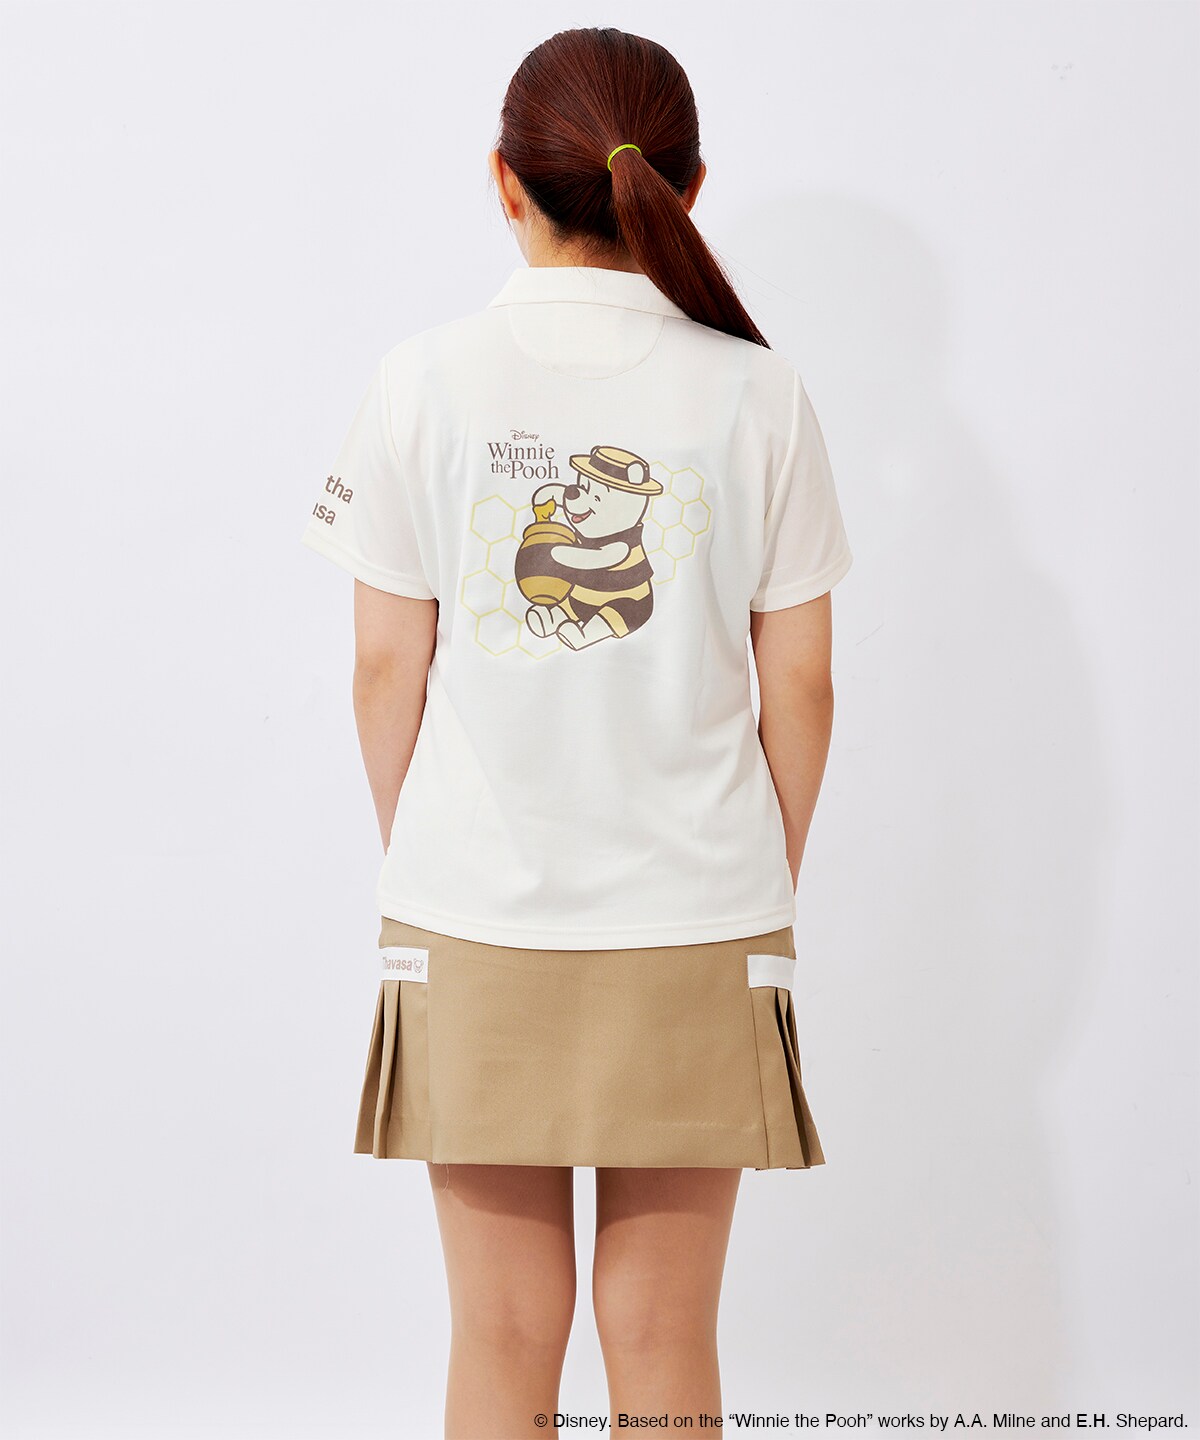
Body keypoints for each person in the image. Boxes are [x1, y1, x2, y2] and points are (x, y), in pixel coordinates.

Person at [300, 25, 854, 1439]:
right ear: (689, 184)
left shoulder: (419, 381)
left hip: (475, 911)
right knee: (666, 1334)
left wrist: (428, 844)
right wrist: (758, 871)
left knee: (498, 1335)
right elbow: (802, 687)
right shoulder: (761, 394)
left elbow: (382, 667)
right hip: (699, 913)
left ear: (503, 180)